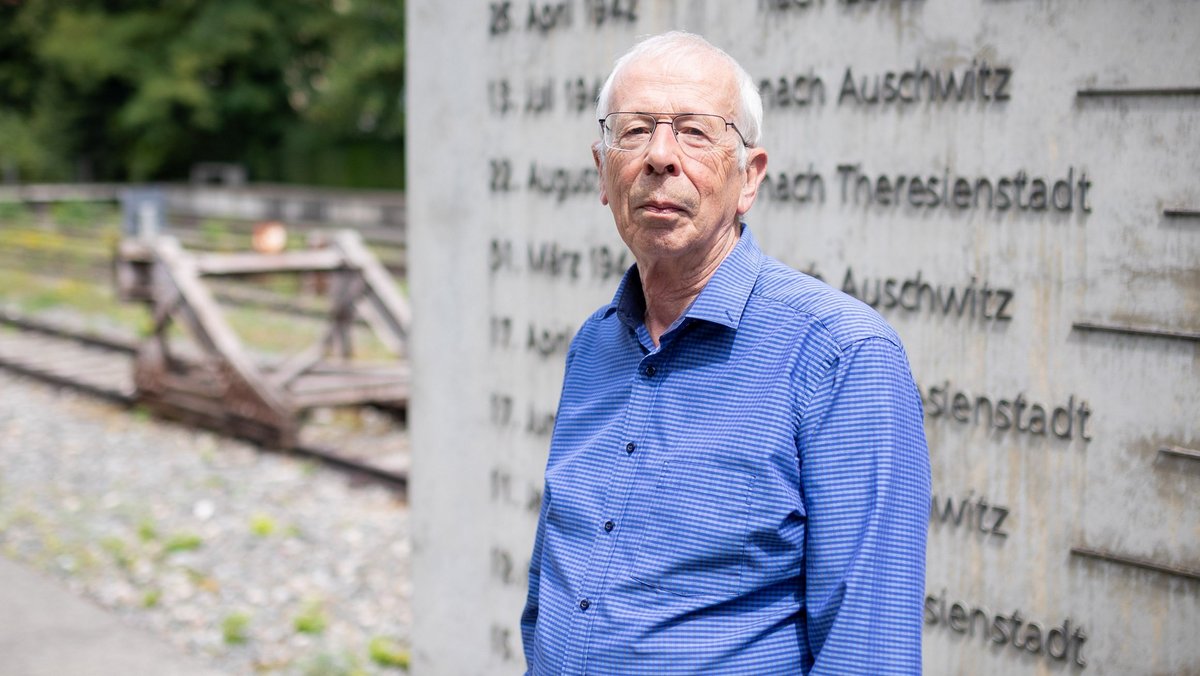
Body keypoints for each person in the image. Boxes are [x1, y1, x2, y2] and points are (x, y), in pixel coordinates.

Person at [521, 31, 930, 675]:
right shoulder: (595, 344)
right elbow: (557, 579)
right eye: (633, 132)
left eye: (694, 131)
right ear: (603, 172)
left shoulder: (843, 357)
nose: (660, 156)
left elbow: (867, 649)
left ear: (749, 178)